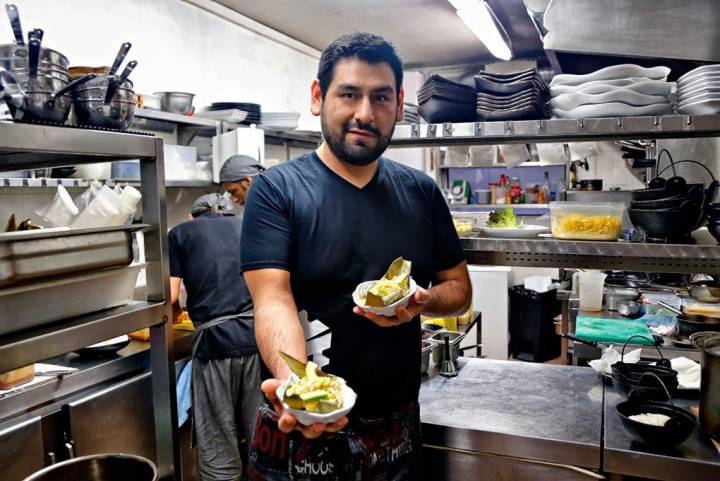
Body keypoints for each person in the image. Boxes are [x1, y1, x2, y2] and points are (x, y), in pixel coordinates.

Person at [240, 32, 472, 480]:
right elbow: (272, 299)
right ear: (317, 97)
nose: (365, 113)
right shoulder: (277, 190)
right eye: (349, 94)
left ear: (399, 106)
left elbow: (459, 290)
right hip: (303, 428)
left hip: (396, 428)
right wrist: (301, 390)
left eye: (381, 97)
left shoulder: (421, 192)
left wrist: (420, 301)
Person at [168, 158, 264, 481]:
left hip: (215, 346)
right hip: (254, 340)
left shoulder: (179, 233)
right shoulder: (245, 224)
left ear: (192, 216)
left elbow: (169, 298)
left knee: (219, 439)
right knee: (258, 434)